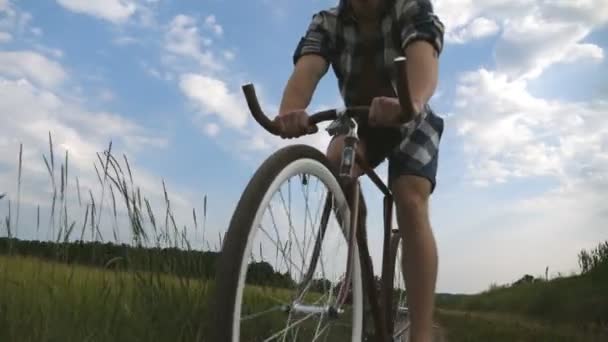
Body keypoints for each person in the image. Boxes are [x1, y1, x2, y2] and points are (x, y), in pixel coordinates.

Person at [274, 0, 444, 341]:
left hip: (410, 115)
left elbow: (424, 57)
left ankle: (421, 334)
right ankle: (360, 264)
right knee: (336, 159)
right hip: (360, 121)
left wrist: (411, 104)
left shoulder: (408, 6)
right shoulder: (327, 22)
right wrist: (291, 111)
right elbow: (307, 69)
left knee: (409, 197)